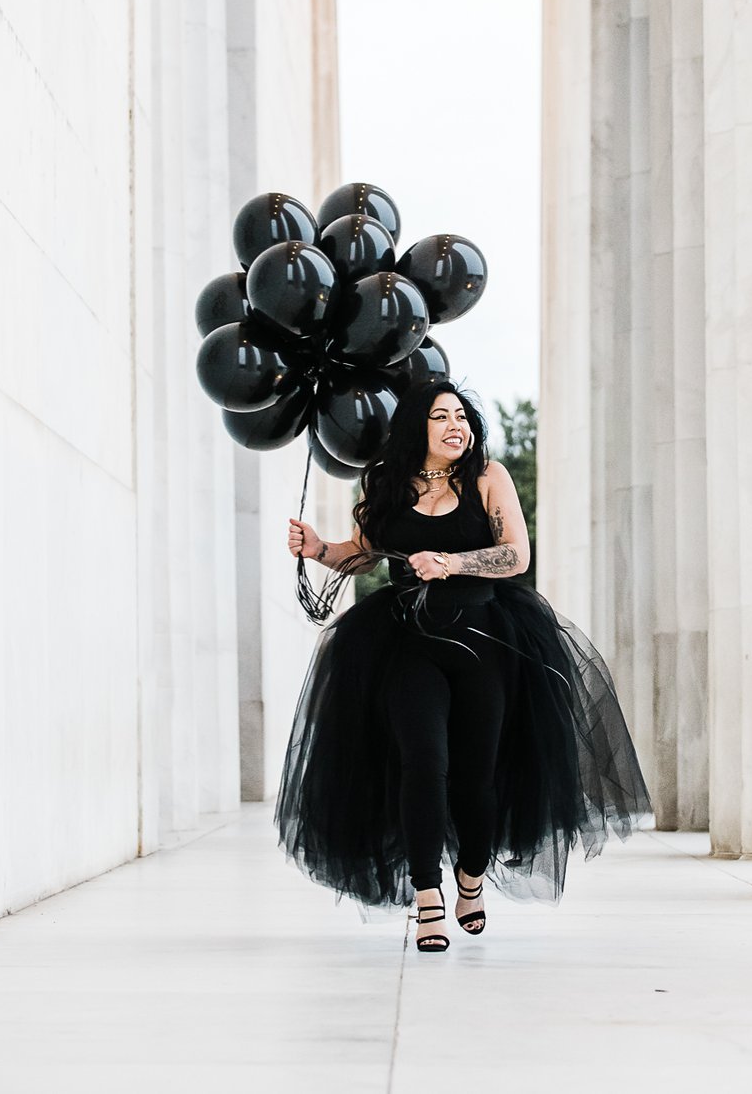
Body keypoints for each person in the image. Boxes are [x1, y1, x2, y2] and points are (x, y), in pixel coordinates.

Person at [278, 381, 650, 950]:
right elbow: (362, 552)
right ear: (415, 428)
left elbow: (515, 555)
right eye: (441, 416)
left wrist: (450, 562)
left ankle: (470, 878)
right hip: (405, 642)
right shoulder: (384, 482)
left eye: (462, 416)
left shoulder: (487, 477)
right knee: (422, 763)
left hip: (484, 638)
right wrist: (319, 549)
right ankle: (427, 896)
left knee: (477, 776)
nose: (457, 426)